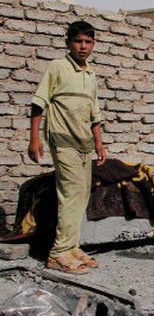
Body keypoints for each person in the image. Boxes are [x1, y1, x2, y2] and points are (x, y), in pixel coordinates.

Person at [28, 20, 106, 274]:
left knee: (82, 194)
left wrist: (99, 144)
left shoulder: (91, 75)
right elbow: (39, 103)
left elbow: (94, 114)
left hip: (84, 143)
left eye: (87, 42)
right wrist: (34, 139)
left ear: (93, 44)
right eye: (78, 41)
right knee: (71, 194)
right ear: (68, 43)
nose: (83, 47)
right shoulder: (58, 67)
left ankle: (72, 247)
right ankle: (58, 253)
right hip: (62, 139)